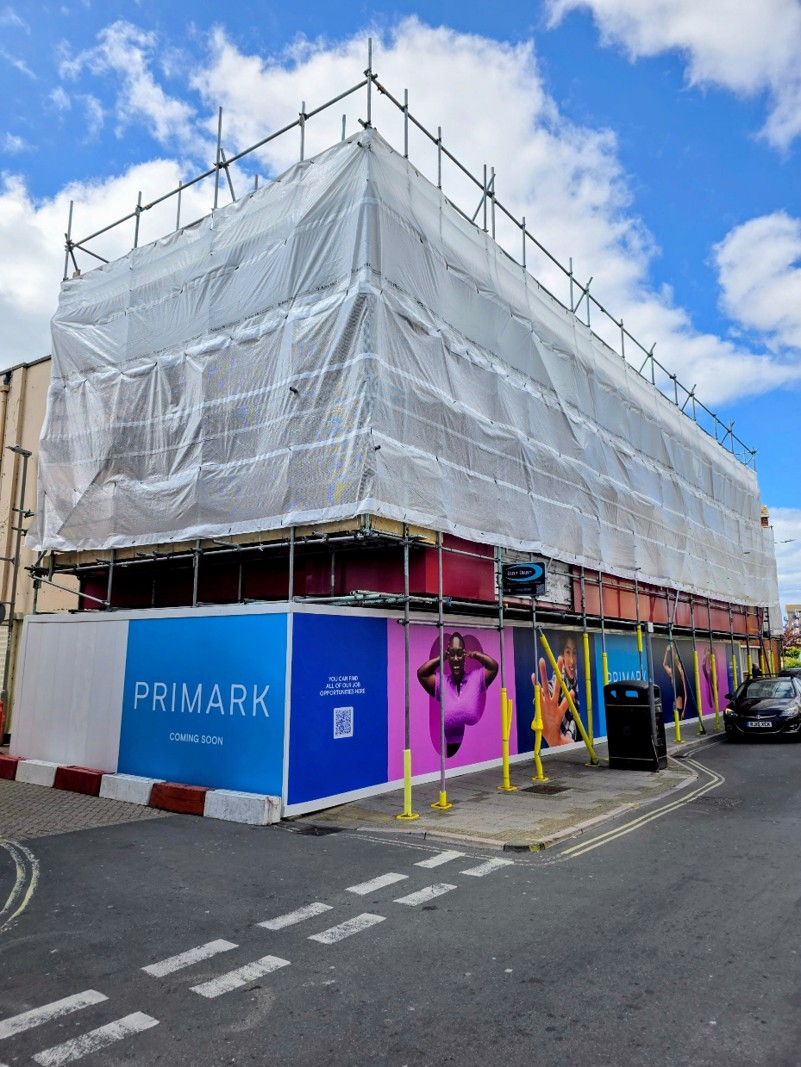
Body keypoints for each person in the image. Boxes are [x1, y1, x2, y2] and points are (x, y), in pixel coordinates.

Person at [417, 632, 499, 757]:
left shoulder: (476, 679)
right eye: (452, 654)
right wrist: (442, 657)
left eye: (460, 653)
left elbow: (493, 667)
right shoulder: (442, 683)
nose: (456, 658)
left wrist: (476, 655)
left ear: (464, 655)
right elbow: (421, 673)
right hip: (451, 754)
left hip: (477, 753)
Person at [532, 633, 581, 747]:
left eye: (574, 653)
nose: (572, 661)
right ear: (562, 655)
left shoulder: (573, 682)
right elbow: (548, 694)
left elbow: (574, 715)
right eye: (568, 652)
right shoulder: (556, 684)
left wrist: (569, 735)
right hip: (556, 749)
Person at [663, 643, 688, 719]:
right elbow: (664, 664)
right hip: (675, 708)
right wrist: (667, 651)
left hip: (679, 709)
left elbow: (686, 695)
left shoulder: (680, 674)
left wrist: (683, 710)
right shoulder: (672, 674)